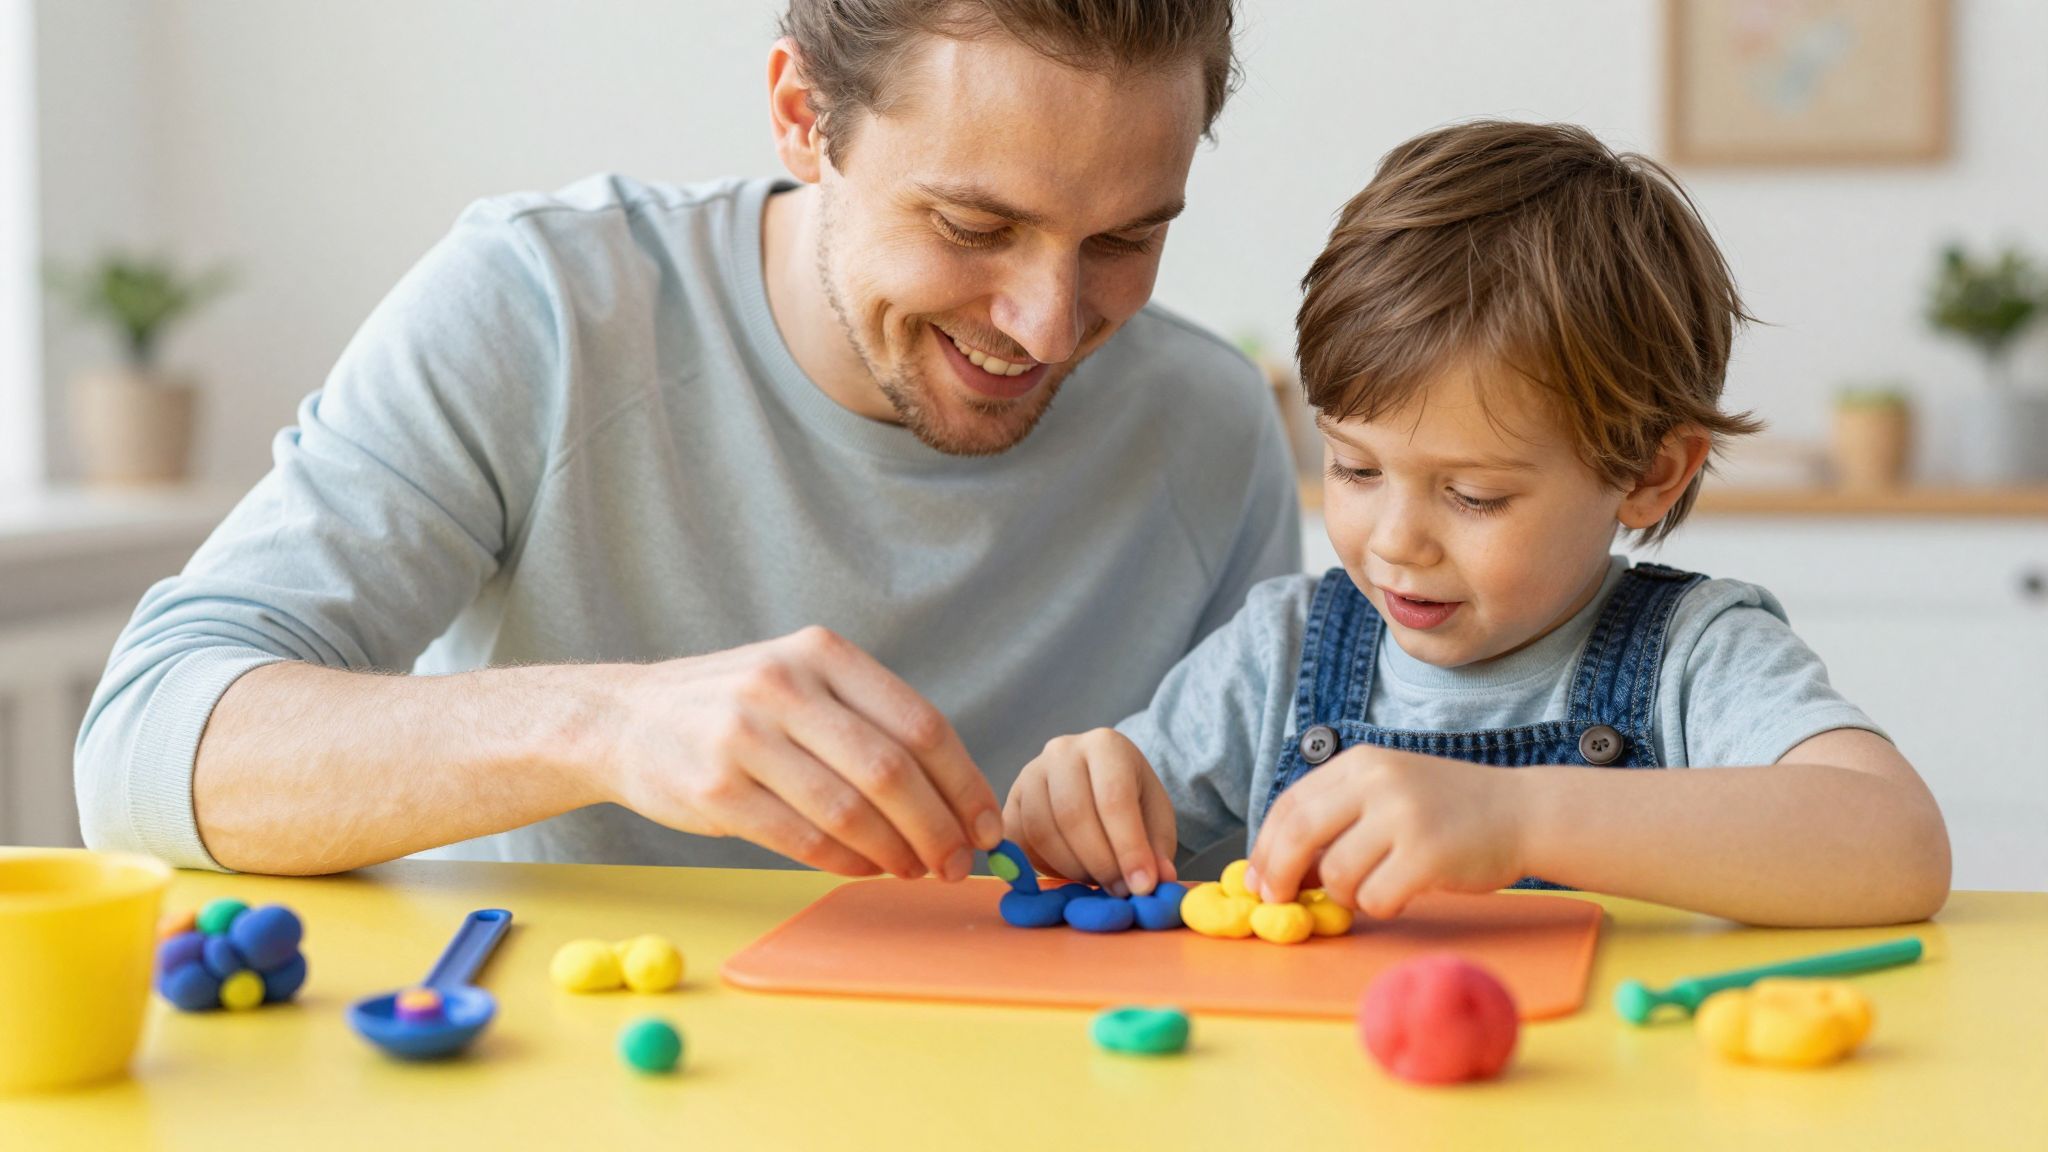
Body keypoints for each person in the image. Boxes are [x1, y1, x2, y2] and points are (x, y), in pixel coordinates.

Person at [75, 0, 1300, 880]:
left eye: (1126, 240)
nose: (1047, 323)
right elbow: (144, 749)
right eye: (974, 225)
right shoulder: (543, 310)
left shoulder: (1208, 429)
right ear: (800, 117)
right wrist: (607, 728)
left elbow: (1256, 894)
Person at [1003, 121, 1950, 927]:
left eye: (1474, 496)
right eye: (1356, 468)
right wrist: (1080, 796)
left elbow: (1898, 844)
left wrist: (1517, 818)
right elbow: (1101, 833)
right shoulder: (1277, 657)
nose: (1395, 541)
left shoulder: (1697, 660)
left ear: (1649, 473)